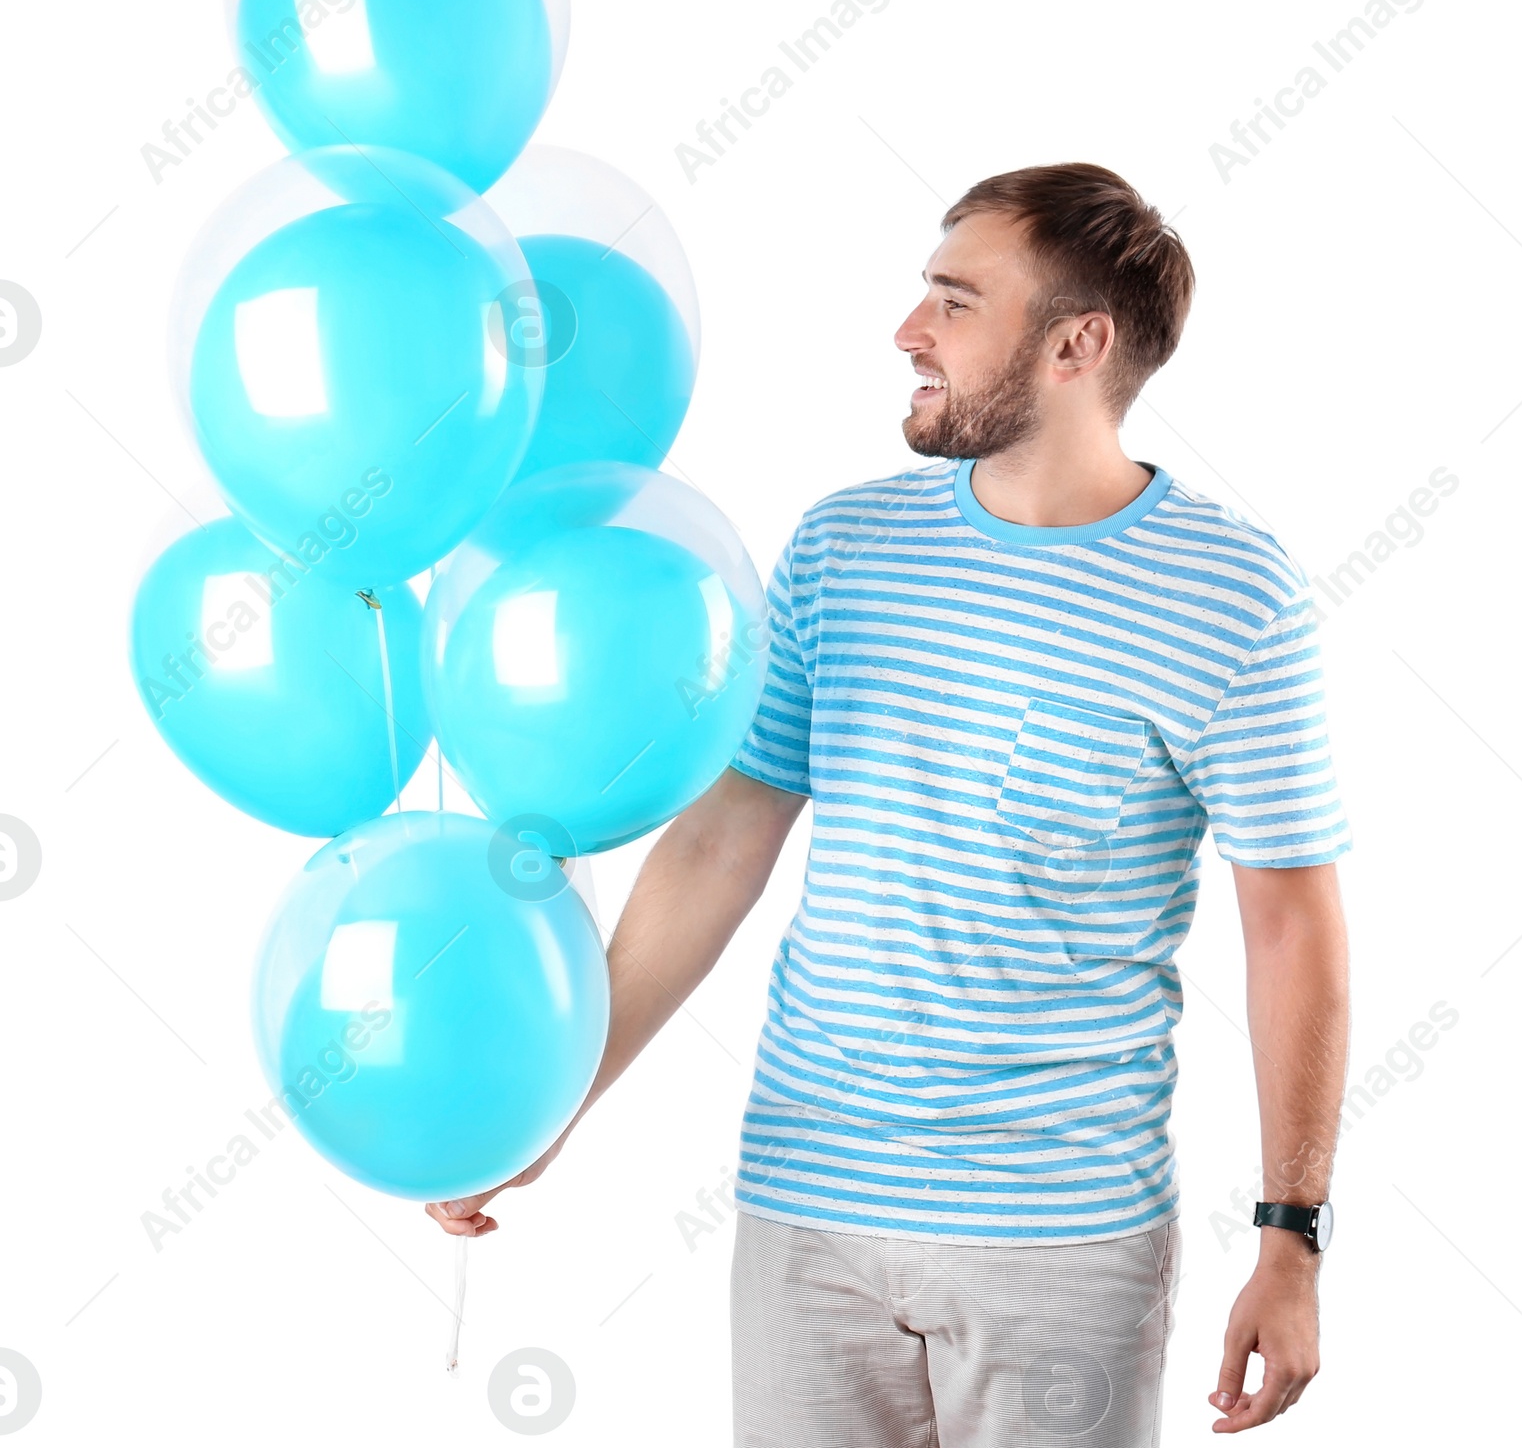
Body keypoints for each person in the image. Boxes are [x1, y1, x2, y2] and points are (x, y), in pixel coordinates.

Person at [427, 163, 1352, 1444]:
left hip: (1060, 1240)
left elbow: (1291, 930)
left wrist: (1290, 1238)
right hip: (806, 1213)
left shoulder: (1232, 598)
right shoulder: (842, 548)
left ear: (1078, 344)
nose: (908, 330)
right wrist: (560, 1099)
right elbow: (717, 846)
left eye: (955, 301)